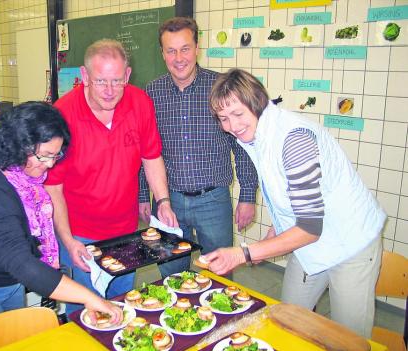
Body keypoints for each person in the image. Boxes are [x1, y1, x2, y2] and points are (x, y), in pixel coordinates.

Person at [205, 68, 385, 337]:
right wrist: (277, 228)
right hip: (310, 242)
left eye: (238, 114)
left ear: (257, 103)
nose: (232, 126)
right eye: (223, 119)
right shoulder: (257, 133)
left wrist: (243, 253)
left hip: (350, 242)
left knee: (348, 338)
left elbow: (310, 227)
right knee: (286, 319)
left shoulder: (294, 139)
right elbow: (287, 191)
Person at [0, 102, 122, 334]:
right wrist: (89, 297)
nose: (50, 165)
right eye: (44, 156)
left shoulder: (19, 173)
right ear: (18, 144)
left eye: (56, 155)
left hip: (8, 281)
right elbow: (21, 262)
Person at [45, 39, 178, 315]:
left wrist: (163, 201)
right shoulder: (62, 115)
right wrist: (68, 241)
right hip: (79, 235)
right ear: (84, 76)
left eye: (117, 81)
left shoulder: (140, 103)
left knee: (123, 306)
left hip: (125, 233)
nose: (109, 91)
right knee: (84, 314)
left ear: (127, 75)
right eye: (100, 81)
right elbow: (53, 188)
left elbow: (151, 157)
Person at [139, 17, 258, 278]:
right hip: (168, 201)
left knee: (219, 274)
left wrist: (248, 194)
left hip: (213, 201)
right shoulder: (151, 93)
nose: (178, 57)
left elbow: (242, 145)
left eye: (185, 48)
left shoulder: (220, 88)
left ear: (197, 48)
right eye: (171, 50)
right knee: (171, 275)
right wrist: (142, 196)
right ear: (162, 53)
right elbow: (145, 150)